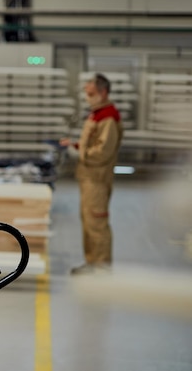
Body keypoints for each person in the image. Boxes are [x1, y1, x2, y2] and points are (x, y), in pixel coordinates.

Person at [60, 73, 123, 275]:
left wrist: (80, 153)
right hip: (88, 177)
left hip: (97, 178)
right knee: (88, 221)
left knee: (97, 222)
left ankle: (102, 268)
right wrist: (75, 145)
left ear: (103, 92)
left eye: (91, 93)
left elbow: (103, 151)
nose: (88, 97)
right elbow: (92, 143)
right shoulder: (96, 114)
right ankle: (92, 263)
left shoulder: (108, 117)